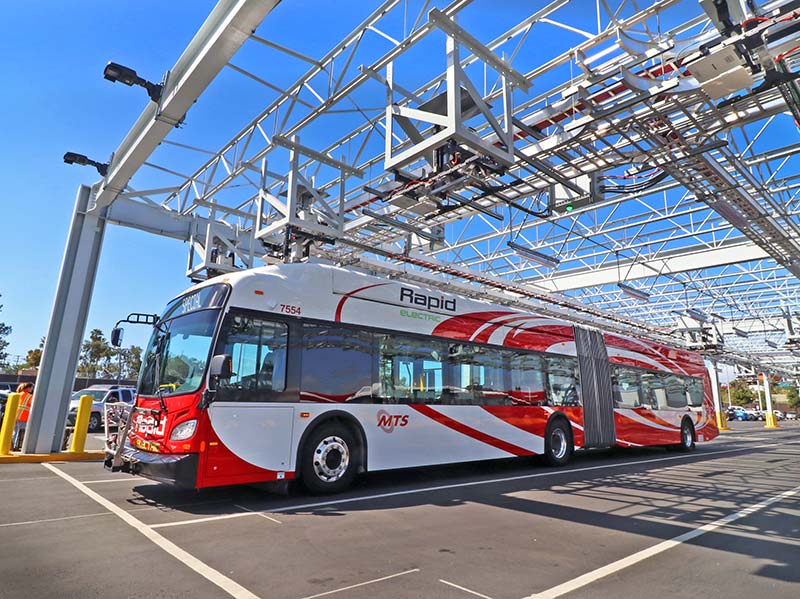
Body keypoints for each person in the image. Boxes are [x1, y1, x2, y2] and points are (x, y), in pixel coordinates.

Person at [13, 382, 33, 451]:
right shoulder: (30, 396)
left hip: (15, 416)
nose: (32, 389)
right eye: (31, 387)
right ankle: (16, 446)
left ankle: (12, 445)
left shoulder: (18, 394)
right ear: (28, 388)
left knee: (15, 432)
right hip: (24, 416)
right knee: (21, 432)